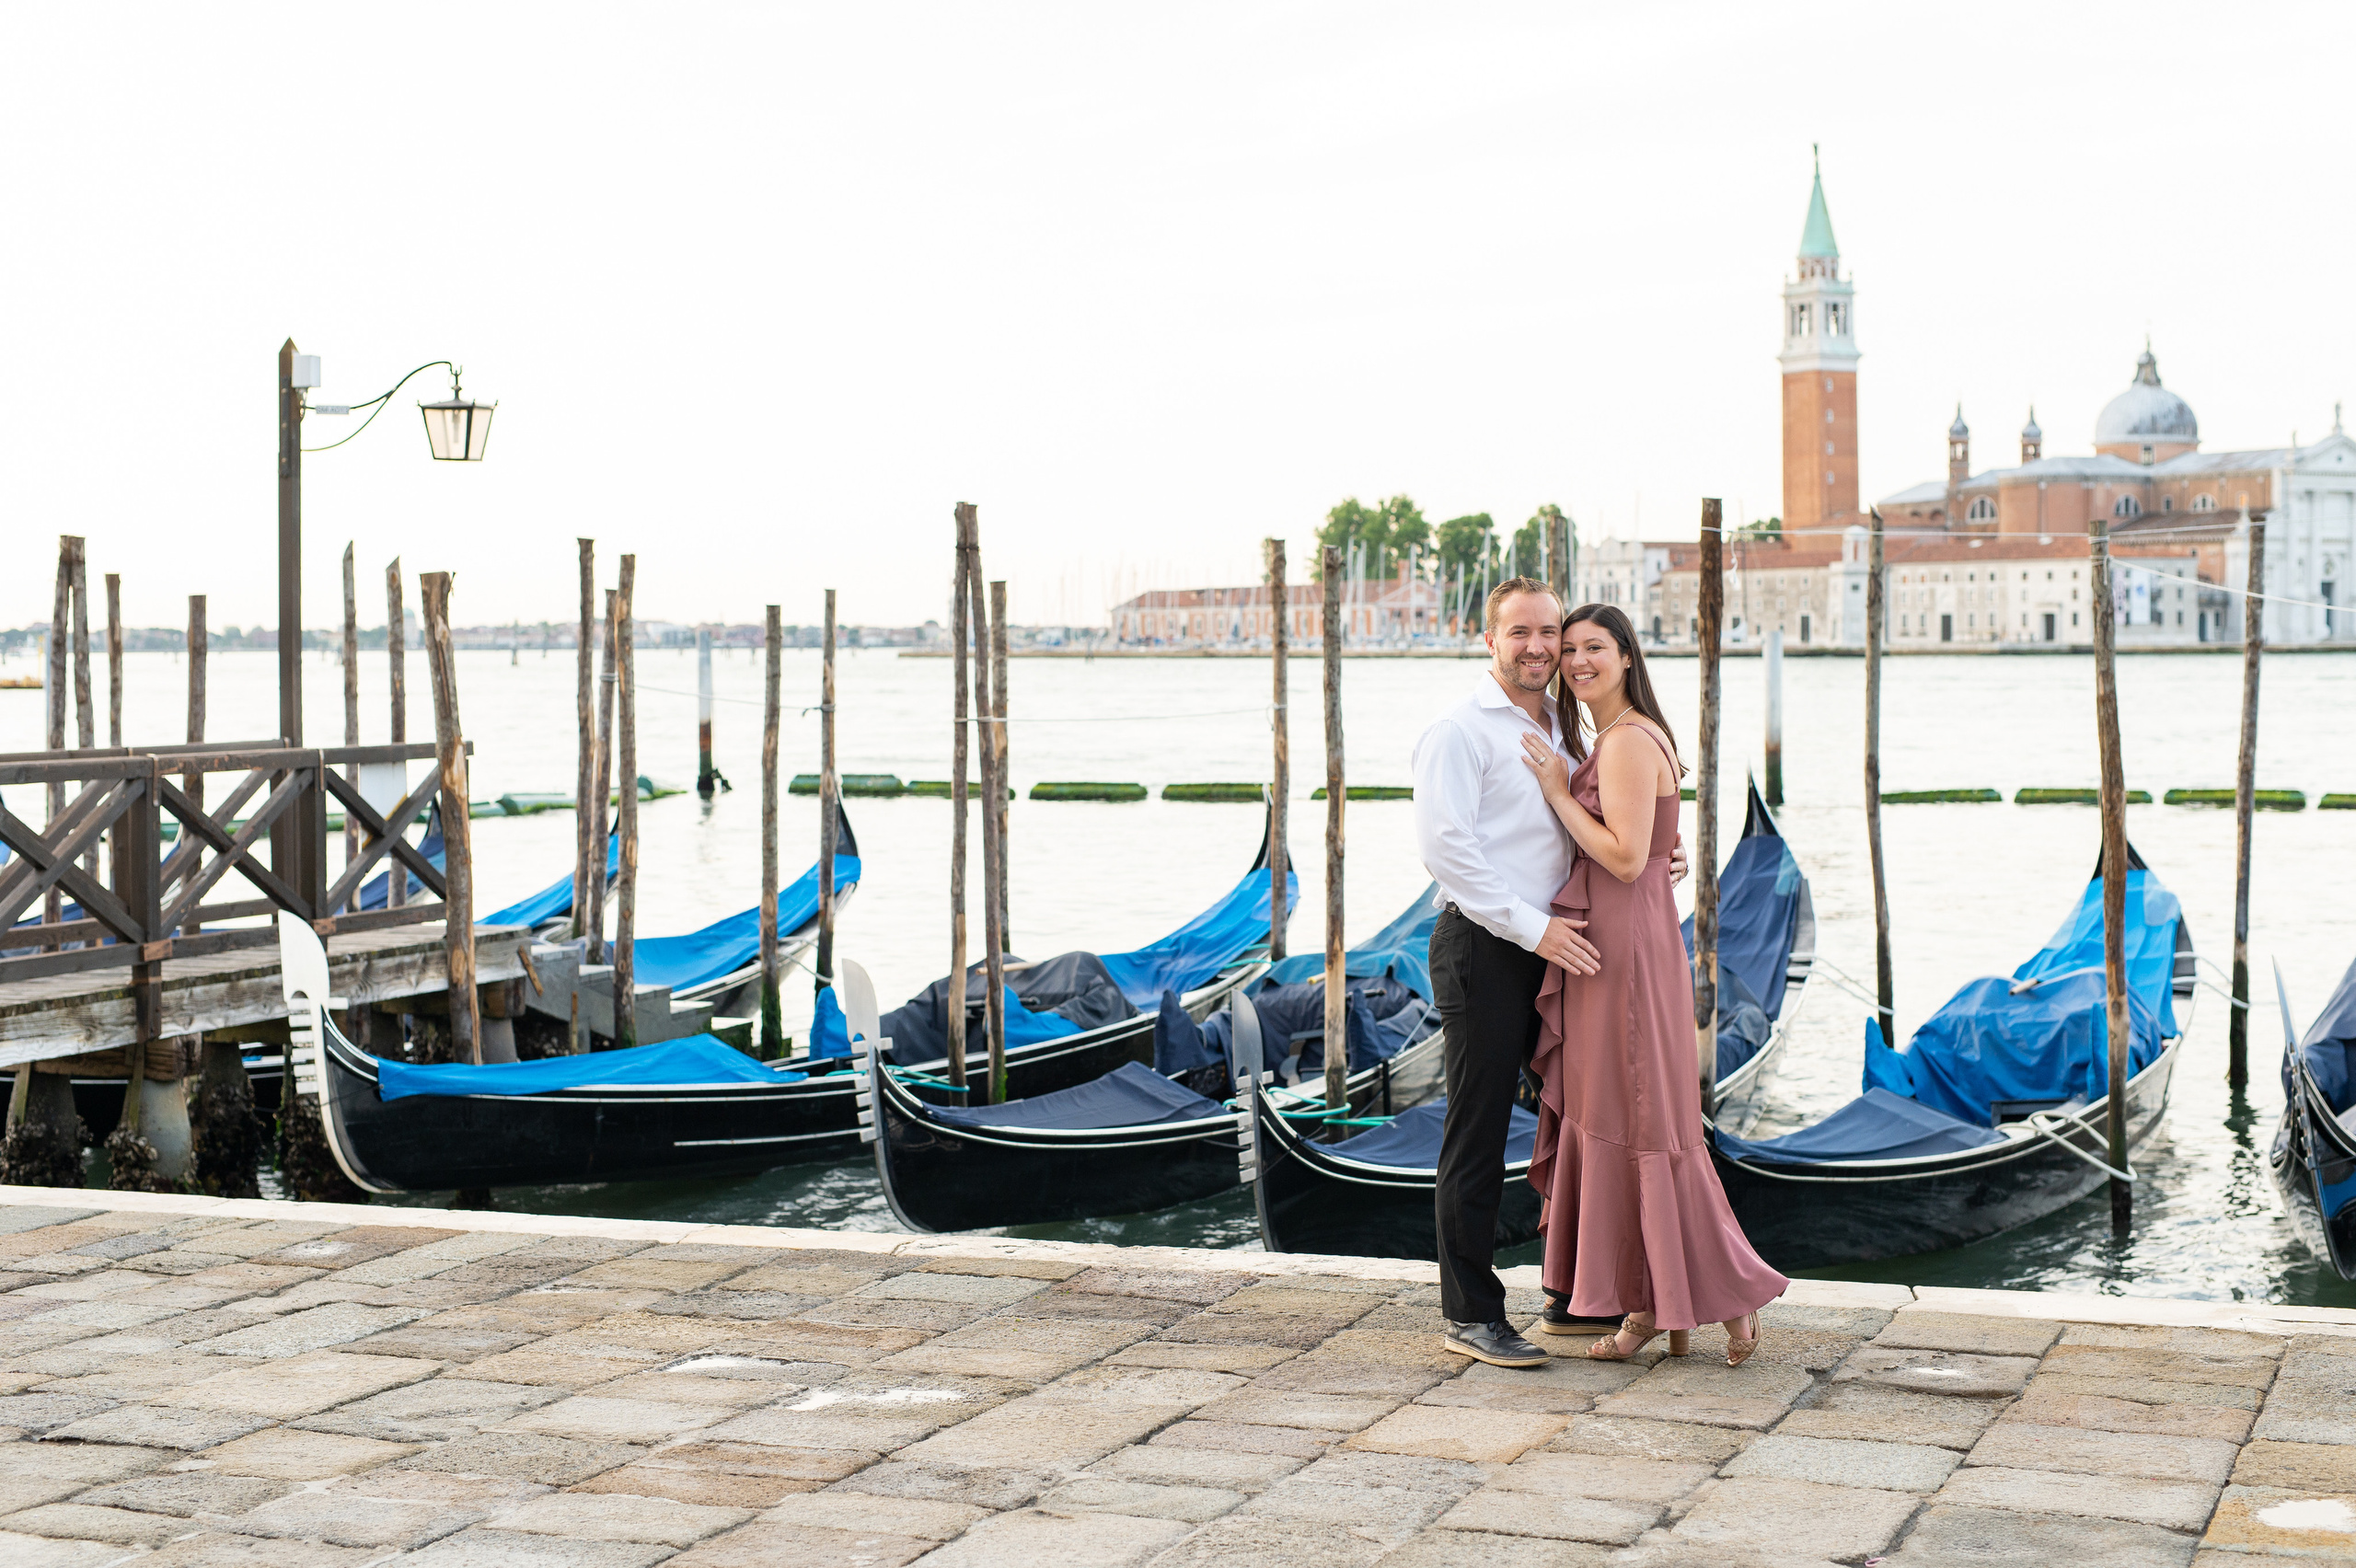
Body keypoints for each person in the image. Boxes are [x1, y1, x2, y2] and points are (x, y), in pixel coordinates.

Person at [1411, 579, 1684, 1368]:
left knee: (1569, 1112)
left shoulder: (1565, 722)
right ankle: (1470, 1311)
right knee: (1479, 1124)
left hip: (1566, 945)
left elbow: (1598, 826)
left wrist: (1658, 849)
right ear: (1487, 639)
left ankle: (1570, 1291)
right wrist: (1537, 932)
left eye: (1553, 633)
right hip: (1493, 947)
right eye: (1522, 632)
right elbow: (1447, 852)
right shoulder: (1459, 730)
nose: (1541, 647)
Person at [1519, 603, 1787, 1366]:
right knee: (1635, 1123)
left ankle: (1716, 1300)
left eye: (1593, 647)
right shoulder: (1618, 739)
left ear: (1628, 656)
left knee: (1643, 1125)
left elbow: (1628, 858)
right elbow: (1649, 851)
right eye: (1568, 649)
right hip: (1614, 948)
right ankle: (1650, 1306)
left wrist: (1556, 790)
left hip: (1625, 959)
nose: (1576, 662)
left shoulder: (1630, 740)